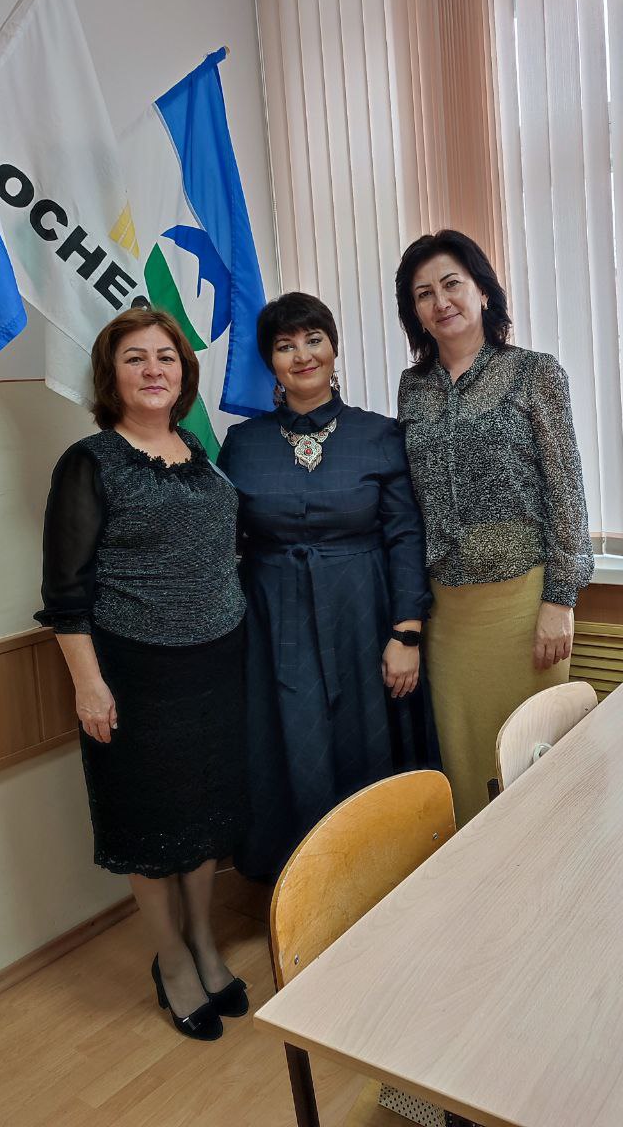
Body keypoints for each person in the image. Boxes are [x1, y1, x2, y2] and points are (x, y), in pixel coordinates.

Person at [36, 307, 248, 1043]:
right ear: (111, 375)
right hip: (134, 674)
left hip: (216, 666)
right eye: (135, 358)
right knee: (151, 825)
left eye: (167, 356)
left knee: (202, 818)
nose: (154, 369)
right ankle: (172, 959)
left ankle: (204, 941)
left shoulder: (198, 450)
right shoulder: (90, 462)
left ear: (184, 373)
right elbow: (65, 592)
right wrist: (88, 684)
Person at [217, 292, 438, 880]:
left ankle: (376, 874)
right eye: (285, 346)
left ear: (334, 349)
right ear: (270, 361)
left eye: (313, 340)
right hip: (273, 622)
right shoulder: (242, 443)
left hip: (364, 613)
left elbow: (405, 536)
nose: (302, 355)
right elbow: (223, 540)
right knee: (291, 741)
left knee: (367, 740)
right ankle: (302, 884)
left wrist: (407, 633)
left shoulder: (379, 434)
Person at [395, 230, 594, 824]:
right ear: (415, 313)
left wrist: (560, 600)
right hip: (448, 614)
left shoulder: (535, 373)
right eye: (424, 294)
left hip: (523, 606)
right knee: (466, 768)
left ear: (482, 290)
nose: (441, 301)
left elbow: (566, 489)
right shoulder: (412, 389)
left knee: (533, 768)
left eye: (451, 284)